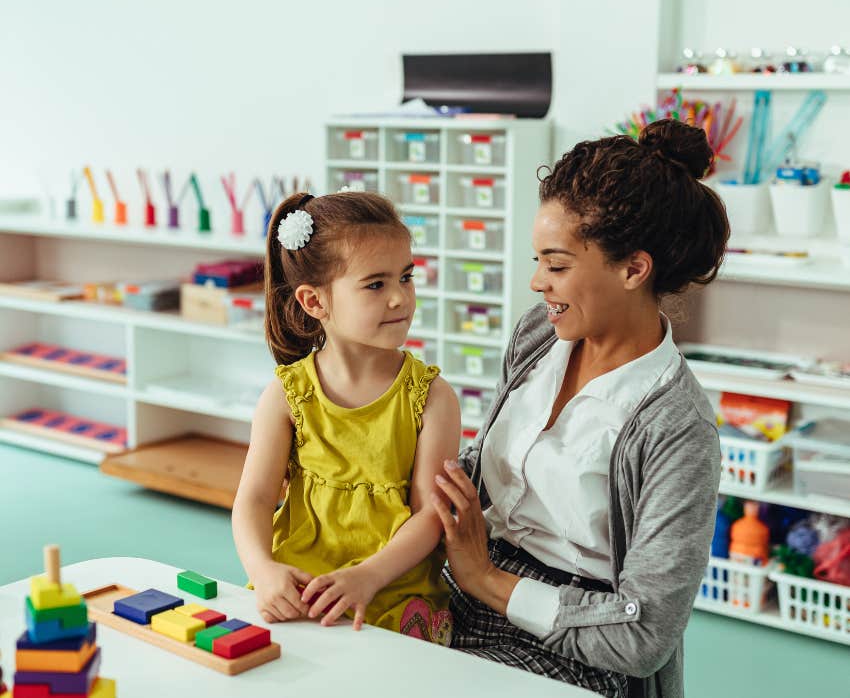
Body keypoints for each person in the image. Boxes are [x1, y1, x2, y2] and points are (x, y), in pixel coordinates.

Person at [431, 120, 729, 697]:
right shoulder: (539, 336)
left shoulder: (677, 428)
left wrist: (486, 580)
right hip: (459, 581)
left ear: (632, 269)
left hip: (574, 641)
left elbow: (642, 634)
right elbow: (486, 464)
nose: (537, 281)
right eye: (539, 260)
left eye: (558, 264)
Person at [233, 190, 459, 643]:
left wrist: (368, 577)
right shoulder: (285, 396)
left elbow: (430, 515)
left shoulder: (432, 397)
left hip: (393, 589)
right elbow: (254, 500)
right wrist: (264, 569)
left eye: (406, 277)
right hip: (299, 586)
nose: (400, 298)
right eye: (376, 284)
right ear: (314, 302)